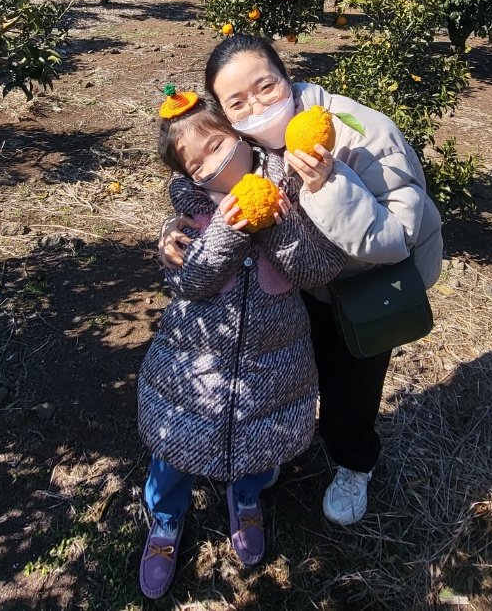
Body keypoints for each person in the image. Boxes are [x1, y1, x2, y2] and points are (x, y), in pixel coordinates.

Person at [159, 36, 442, 527]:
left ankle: (355, 464)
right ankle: (281, 446)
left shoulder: (360, 131)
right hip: (300, 284)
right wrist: (175, 233)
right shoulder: (247, 143)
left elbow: (397, 238)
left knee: (351, 387)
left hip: (368, 288)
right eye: (237, 102)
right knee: (294, 375)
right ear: (225, 115)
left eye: (265, 86)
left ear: (286, 78)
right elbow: (206, 183)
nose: (257, 106)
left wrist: (326, 184)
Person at [137, 86, 345, 599]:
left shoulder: (292, 187)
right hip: (192, 367)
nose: (209, 165)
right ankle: (165, 522)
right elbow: (190, 283)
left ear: (240, 134)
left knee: (260, 441)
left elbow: (320, 267)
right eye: (195, 164)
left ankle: (245, 499)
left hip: (274, 365)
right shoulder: (190, 214)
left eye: (215, 145)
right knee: (173, 448)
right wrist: (229, 229)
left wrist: (273, 222)